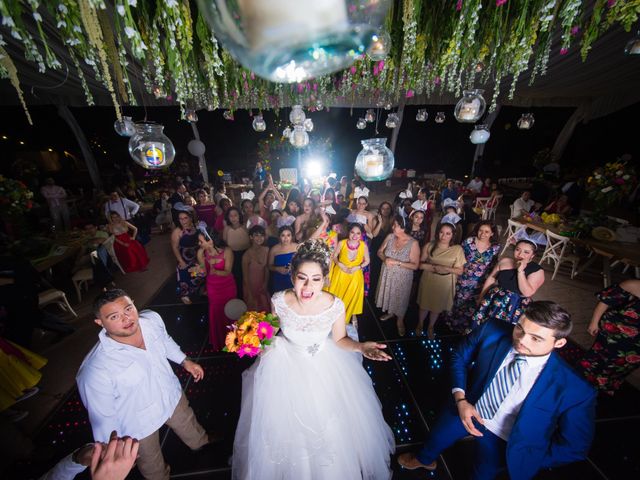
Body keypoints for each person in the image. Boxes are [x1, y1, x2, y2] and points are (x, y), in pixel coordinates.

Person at [231, 240, 395, 479]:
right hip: (285, 367)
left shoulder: (334, 305)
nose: (308, 286)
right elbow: (272, 331)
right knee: (285, 431)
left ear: (324, 280)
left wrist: (360, 347)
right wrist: (253, 341)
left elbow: (339, 340)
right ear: (292, 277)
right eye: (302, 277)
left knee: (328, 429)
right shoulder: (279, 300)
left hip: (323, 368)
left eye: (316, 279)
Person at [398, 302, 596, 480]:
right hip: (468, 407)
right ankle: (424, 459)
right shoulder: (492, 328)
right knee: (436, 438)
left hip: (505, 439)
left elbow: (574, 448)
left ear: (559, 343)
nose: (522, 340)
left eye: (536, 339)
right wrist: (461, 399)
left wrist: (526, 458)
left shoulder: (576, 390)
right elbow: (459, 355)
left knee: (482, 474)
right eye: (520, 328)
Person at [77, 289, 213, 480]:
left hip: (170, 395)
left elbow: (165, 342)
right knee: (151, 464)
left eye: (128, 309)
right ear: (100, 322)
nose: (126, 319)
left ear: (133, 303)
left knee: (191, 427)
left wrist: (185, 361)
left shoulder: (151, 320)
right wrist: (113, 453)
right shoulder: (95, 369)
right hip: (138, 424)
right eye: (114, 316)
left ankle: (204, 448)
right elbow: (102, 417)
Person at [578, 280, 640, 395]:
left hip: (637, 342)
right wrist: (594, 322)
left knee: (625, 365)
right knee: (600, 358)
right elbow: (605, 301)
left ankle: (606, 385)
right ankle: (583, 382)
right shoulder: (634, 285)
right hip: (614, 332)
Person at [472, 239, 545, 328]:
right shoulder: (505, 261)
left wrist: (520, 271)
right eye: (518, 250)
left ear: (532, 255)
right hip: (494, 298)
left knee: (502, 330)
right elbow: (491, 278)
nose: (520, 254)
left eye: (526, 252)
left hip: (514, 305)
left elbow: (527, 292)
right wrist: (481, 296)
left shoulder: (537, 270)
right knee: (481, 325)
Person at [446, 221, 501, 333]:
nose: (483, 234)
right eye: (481, 230)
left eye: (487, 231)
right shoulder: (468, 242)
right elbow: (458, 259)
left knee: (472, 306)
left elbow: (493, 265)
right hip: (463, 279)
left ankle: (464, 328)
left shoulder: (495, 247)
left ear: (492, 233)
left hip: (481, 283)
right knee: (457, 302)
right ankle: (450, 324)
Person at [416, 223, 466, 338]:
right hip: (429, 279)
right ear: (437, 233)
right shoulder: (429, 246)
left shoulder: (457, 249)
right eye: (441, 232)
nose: (444, 236)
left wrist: (445, 268)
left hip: (445, 282)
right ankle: (420, 323)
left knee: (437, 307)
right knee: (424, 305)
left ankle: (431, 326)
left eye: (448, 234)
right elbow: (419, 264)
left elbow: (460, 271)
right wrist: (431, 267)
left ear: (452, 235)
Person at [375, 215, 420, 336]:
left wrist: (397, 262)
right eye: (393, 224)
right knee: (389, 294)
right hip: (387, 274)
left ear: (404, 227)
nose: (393, 227)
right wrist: (385, 259)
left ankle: (400, 320)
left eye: (396, 225)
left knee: (401, 298)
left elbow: (415, 265)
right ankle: (390, 312)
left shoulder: (413, 243)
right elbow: (379, 252)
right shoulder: (390, 237)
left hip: (402, 277)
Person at [197, 228, 237, 350]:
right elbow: (204, 272)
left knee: (230, 311)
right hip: (213, 287)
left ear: (210, 241)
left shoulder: (227, 251)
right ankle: (220, 340)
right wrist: (199, 271)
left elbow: (228, 271)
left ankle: (234, 340)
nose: (199, 244)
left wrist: (215, 271)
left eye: (201, 241)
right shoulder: (201, 253)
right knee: (216, 312)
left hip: (227, 286)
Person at [326, 223, 370, 325]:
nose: (355, 236)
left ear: (361, 234)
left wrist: (358, 267)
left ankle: (352, 314)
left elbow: (367, 261)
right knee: (338, 296)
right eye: (352, 232)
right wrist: (340, 264)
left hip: (355, 274)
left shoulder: (363, 245)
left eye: (358, 233)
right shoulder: (342, 243)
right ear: (348, 233)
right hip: (341, 273)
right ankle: (334, 316)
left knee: (353, 295)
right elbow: (334, 256)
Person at [171, 210, 201, 304]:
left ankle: (195, 291)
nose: (183, 221)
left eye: (185, 218)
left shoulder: (195, 227)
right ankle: (185, 295)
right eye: (180, 218)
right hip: (184, 257)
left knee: (195, 275)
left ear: (190, 218)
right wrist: (181, 261)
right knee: (185, 276)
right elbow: (174, 247)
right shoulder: (177, 231)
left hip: (196, 256)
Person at [223, 207, 250, 298]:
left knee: (246, 278)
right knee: (235, 279)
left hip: (245, 255)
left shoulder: (246, 226)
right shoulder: (226, 229)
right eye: (231, 216)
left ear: (239, 216)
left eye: (235, 215)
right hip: (232, 257)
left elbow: (252, 242)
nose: (233, 218)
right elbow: (224, 244)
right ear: (228, 217)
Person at [242, 225, 270, 312]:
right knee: (253, 313)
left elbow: (267, 269)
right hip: (251, 286)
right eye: (256, 235)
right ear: (251, 237)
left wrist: (265, 284)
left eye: (262, 235)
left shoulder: (267, 250)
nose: (259, 238)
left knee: (266, 311)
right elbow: (245, 277)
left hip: (263, 285)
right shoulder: (247, 255)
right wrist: (249, 293)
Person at [268, 225, 299, 294]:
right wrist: (277, 268)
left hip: (294, 279)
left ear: (292, 237)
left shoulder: (297, 247)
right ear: (279, 237)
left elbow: (302, 262)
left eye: (288, 235)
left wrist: (294, 267)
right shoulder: (274, 249)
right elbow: (269, 266)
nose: (286, 238)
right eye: (283, 235)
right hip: (279, 280)